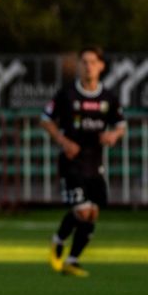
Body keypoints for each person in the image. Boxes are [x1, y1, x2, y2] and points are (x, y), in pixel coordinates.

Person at [40, 46, 126, 277]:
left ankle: (72, 260)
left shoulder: (108, 97)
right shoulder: (67, 94)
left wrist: (113, 136)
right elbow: (45, 120)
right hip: (72, 161)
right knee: (82, 211)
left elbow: (120, 125)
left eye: (92, 62)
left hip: (95, 162)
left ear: (101, 66)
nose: (88, 66)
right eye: (84, 62)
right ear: (79, 65)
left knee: (93, 214)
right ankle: (58, 240)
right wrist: (62, 140)